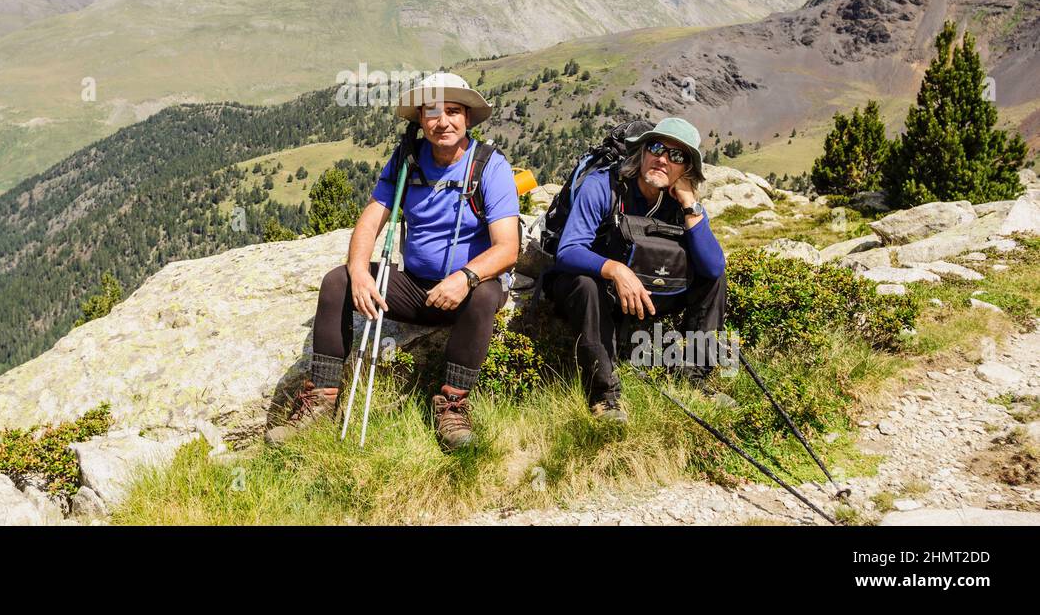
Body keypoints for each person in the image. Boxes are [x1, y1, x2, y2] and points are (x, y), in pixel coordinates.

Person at [267, 72, 520, 450]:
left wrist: (465, 278)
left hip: (467, 291)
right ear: (420, 119)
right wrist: (358, 272)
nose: (443, 122)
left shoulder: (489, 166)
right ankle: (322, 398)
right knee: (337, 282)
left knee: (485, 295)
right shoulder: (407, 160)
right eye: (433, 112)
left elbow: (507, 248)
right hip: (416, 286)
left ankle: (452, 404)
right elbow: (370, 221)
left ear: (468, 117)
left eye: (453, 111)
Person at [544, 117, 728, 423]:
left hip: (648, 291)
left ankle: (694, 378)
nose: (662, 158)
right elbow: (568, 251)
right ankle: (604, 396)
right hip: (597, 292)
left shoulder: (682, 203)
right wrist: (615, 270)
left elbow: (712, 266)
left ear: (687, 171)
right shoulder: (603, 185)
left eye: (677, 156)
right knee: (584, 283)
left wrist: (689, 203)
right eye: (656, 147)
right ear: (642, 152)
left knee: (714, 280)